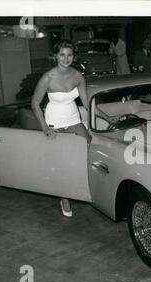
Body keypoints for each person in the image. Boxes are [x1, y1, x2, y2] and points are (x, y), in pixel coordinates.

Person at [31, 40, 91, 217]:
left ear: (74, 56)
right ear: (55, 56)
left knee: (87, 148)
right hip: (54, 120)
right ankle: (64, 196)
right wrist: (45, 128)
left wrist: (101, 115)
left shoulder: (78, 76)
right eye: (62, 55)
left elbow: (87, 103)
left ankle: (81, 188)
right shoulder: (47, 78)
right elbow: (34, 104)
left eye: (69, 55)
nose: (66, 58)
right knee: (61, 159)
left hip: (73, 118)